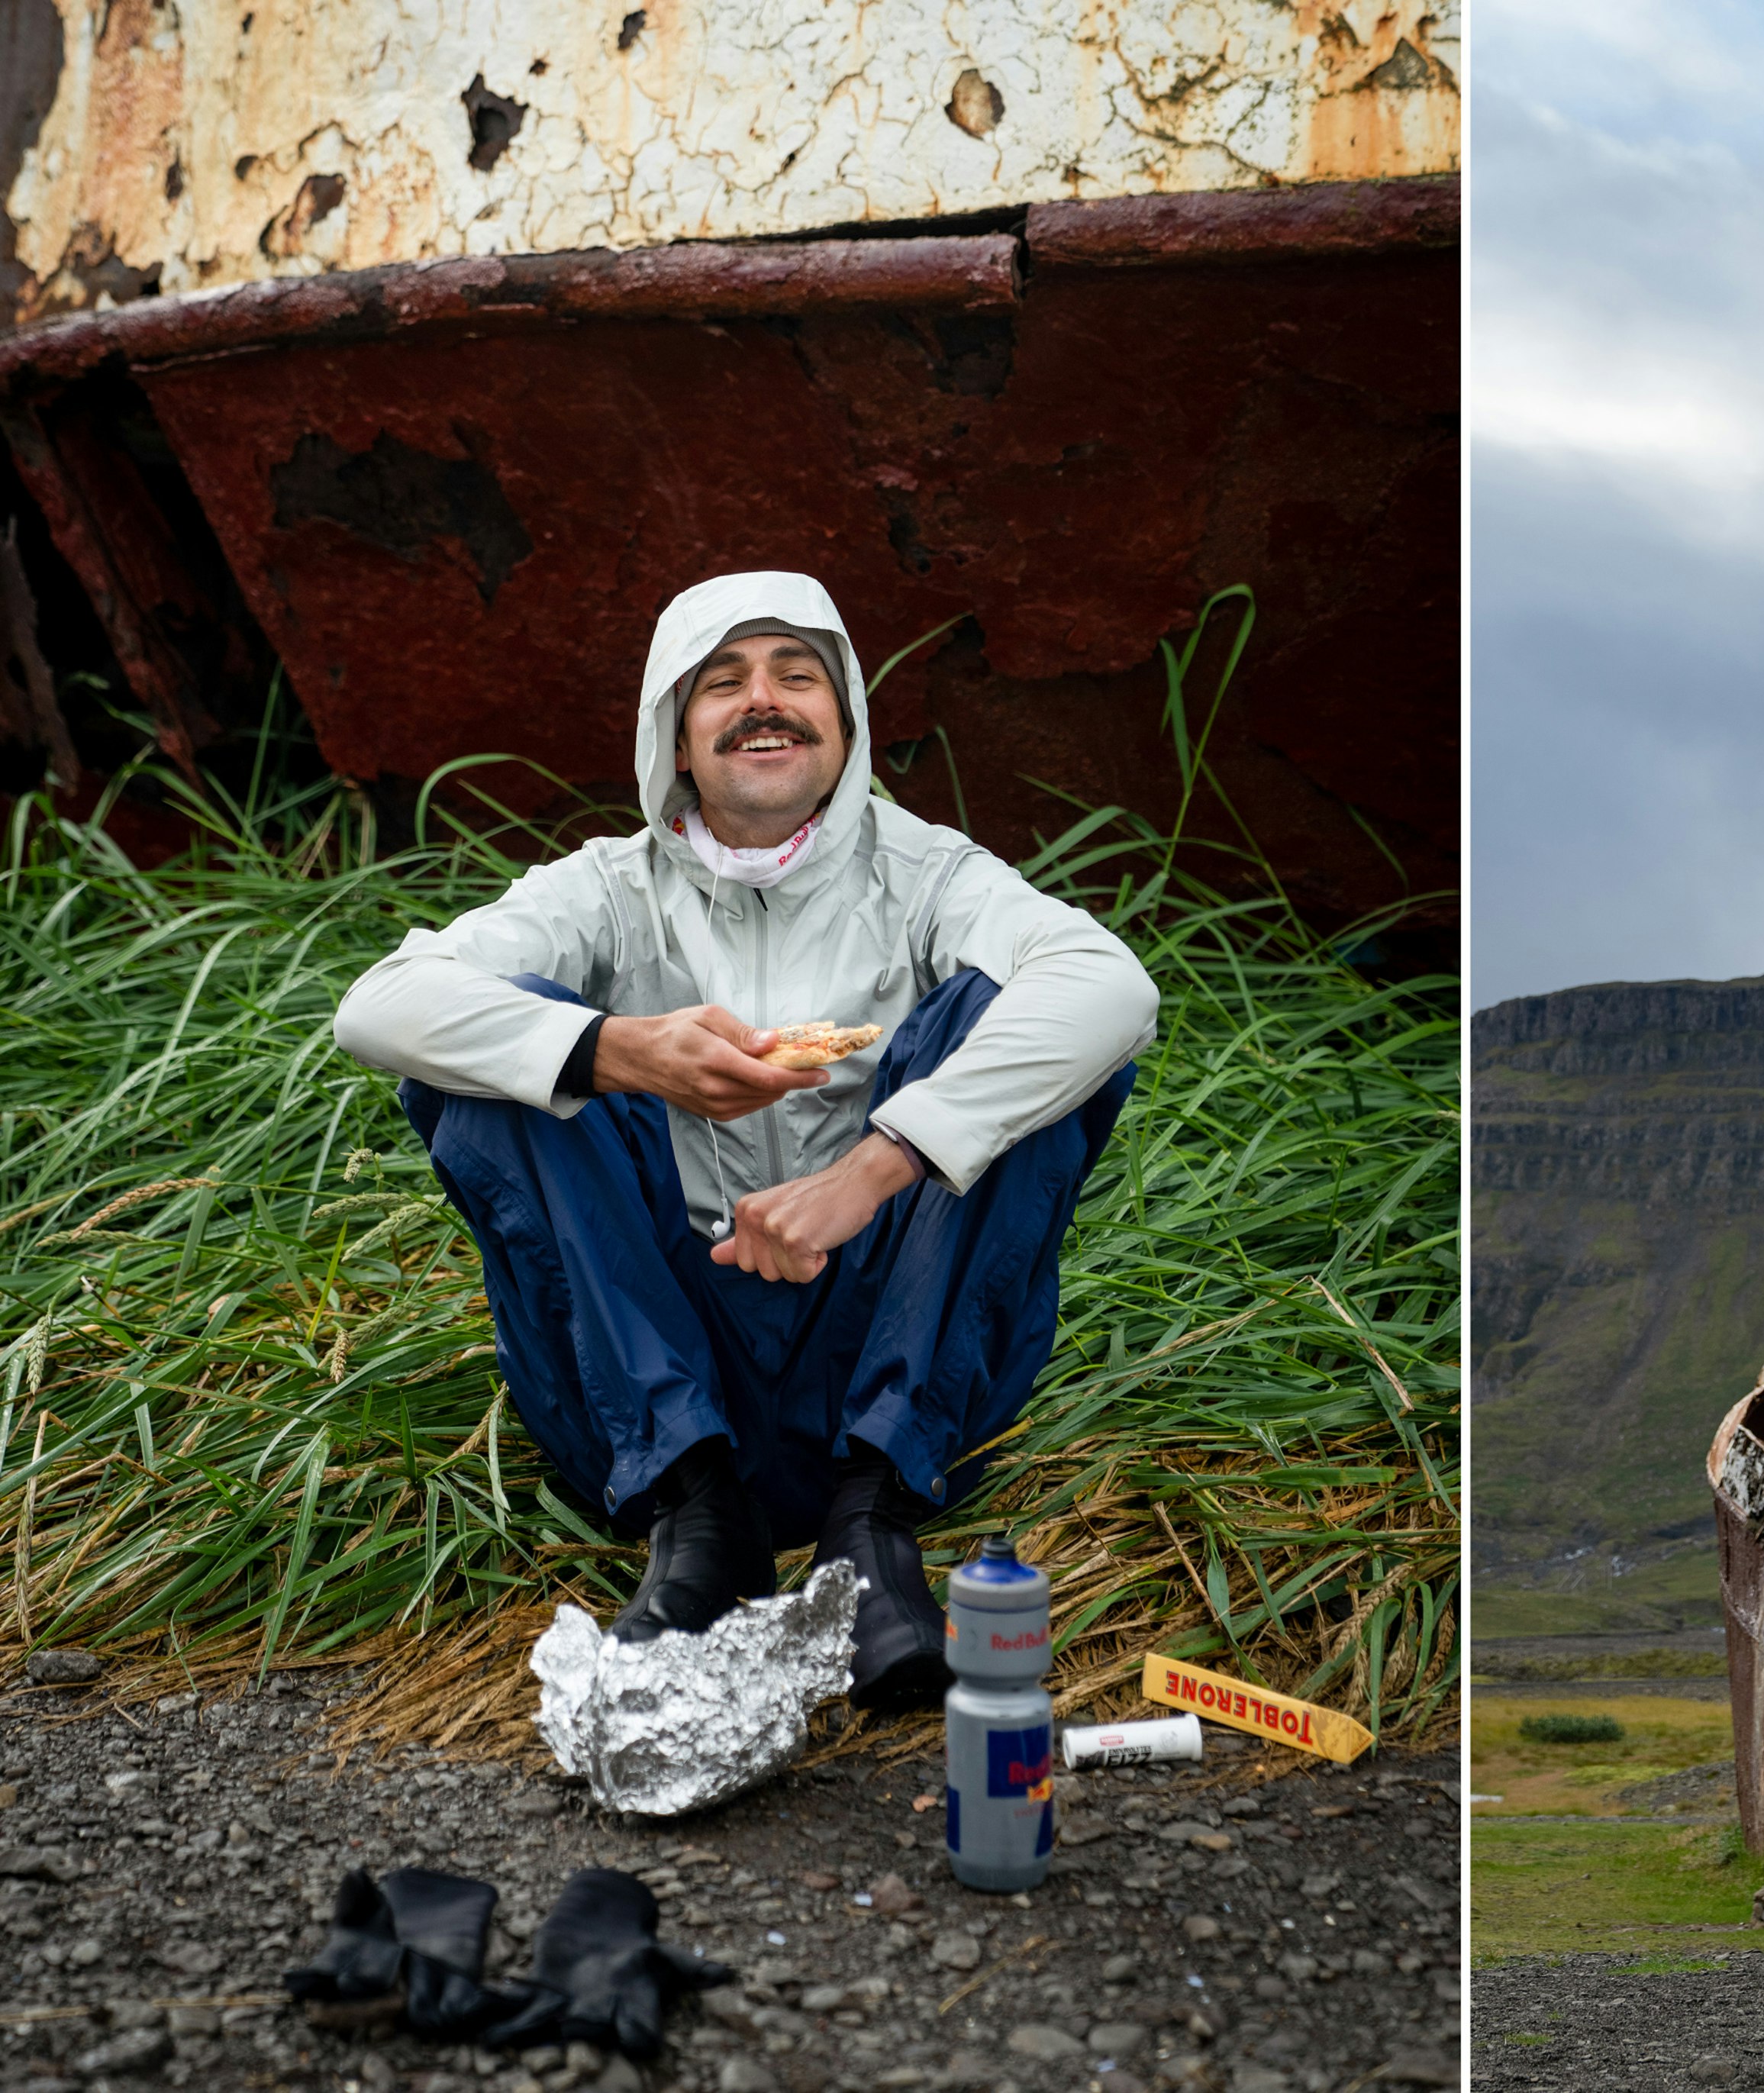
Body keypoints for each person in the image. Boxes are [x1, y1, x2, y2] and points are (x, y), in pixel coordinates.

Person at [335, 572, 1158, 1709]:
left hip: (888, 1349)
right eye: (721, 682)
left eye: (796, 675)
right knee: (495, 1052)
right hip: (653, 1363)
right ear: (672, 732)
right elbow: (377, 1004)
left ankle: (872, 1526)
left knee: (1019, 1026)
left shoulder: (928, 874)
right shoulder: (607, 891)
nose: (762, 701)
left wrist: (883, 1162)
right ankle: (696, 1518)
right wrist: (617, 1049)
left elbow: (1112, 983)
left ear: (848, 716)